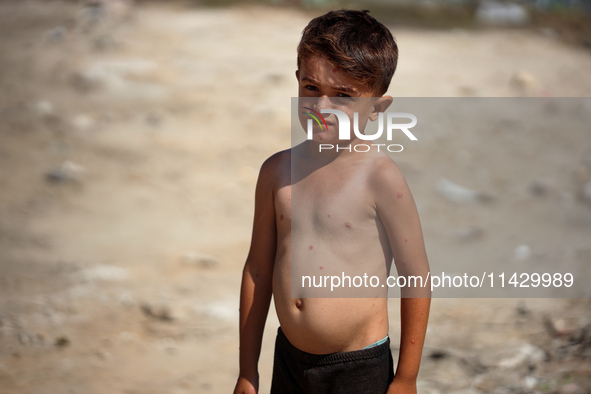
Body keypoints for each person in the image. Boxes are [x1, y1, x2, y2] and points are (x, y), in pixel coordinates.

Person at [234, 9, 431, 394]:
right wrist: (247, 370)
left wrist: (406, 377)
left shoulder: (380, 178)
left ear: (377, 107)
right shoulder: (276, 172)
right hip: (289, 358)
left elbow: (416, 276)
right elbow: (257, 270)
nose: (322, 109)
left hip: (357, 368)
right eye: (311, 89)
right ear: (297, 82)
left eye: (343, 96)